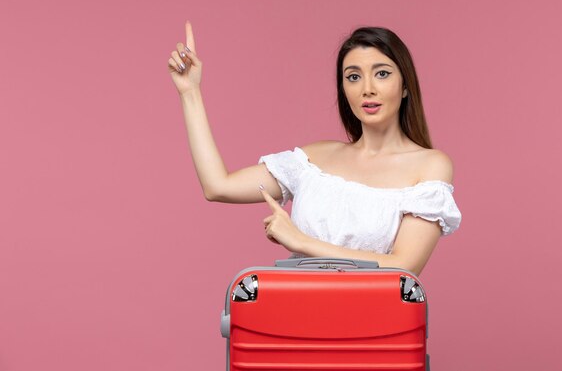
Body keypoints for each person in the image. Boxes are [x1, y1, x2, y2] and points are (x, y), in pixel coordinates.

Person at [167, 21, 461, 276]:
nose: (367, 88)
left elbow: (404, 268)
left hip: (374, 331)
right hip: (297, 322)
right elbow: (217, 186)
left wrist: (302, 242)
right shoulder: (314, 159)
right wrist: (190, 92)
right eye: (353, 77)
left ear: (405, 85)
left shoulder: (429, 166)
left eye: (382, 73)